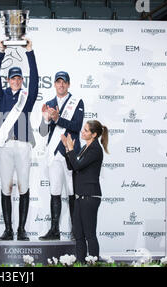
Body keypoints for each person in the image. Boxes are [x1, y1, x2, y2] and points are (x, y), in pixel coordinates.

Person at [0, 38, 38, 241]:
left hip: (23, 145)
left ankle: (21, 229)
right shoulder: (1, 97)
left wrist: (30, 52)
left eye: (19, 78)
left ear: (21, 80)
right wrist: (0, 52)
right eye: (13, 78)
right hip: (6, 146)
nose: (16, 81)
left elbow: (35, 78)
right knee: (5, 186)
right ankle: (8, 229)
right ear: (8, 80)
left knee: (24, 186)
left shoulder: (27, 97)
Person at [38, 71, 84, 241]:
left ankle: (76, 230)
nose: (61, 85)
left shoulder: (77, 102)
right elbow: (43, 131)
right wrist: (46, 119)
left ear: (68, 84)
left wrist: (58, 119)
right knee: (55, 192)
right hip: (53, 153)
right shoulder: (49, 103)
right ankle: (54, 230)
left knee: (72, 192)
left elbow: (77, 126)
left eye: (64, 82)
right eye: (58, 82)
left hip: (70, 152)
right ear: (55, 84)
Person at [61, 120, 109, 263]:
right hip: (80, 197)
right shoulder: (84, 148)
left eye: (86, 130)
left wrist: (70, 150)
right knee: (79, 235)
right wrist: (67, 149)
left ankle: (93, 263)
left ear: (94, 134)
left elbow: (77, 166)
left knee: (89, 234)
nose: (83, 132)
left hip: (90, 197)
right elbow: (72, 167)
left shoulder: (95, 149)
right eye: (83, 129)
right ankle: (81, 262)